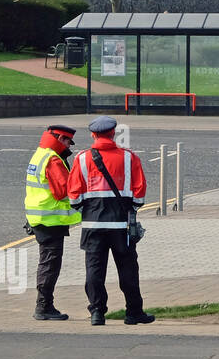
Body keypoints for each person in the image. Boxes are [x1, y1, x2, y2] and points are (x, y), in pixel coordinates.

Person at [67, 116, 154, 326]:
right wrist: (129, 210)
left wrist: (87, 210)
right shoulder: (129, 157)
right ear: (113, 133)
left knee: (94, 269)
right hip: (121, 226)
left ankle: (97, 312)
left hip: (92, 225)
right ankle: (133, 312)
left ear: (93, 134)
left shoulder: (81, 158)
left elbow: (73, 196)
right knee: (128, 269)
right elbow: (139, 194)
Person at [24, 124, 80, 320]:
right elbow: (64, 191)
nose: (68, 146)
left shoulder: (40, 154)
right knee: (50, 264)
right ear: (59, 139)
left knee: (46, 262)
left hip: (38, 219)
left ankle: (44, 304)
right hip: (51, 221)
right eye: (66, 141)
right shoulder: (53, 160)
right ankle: (43, 306)